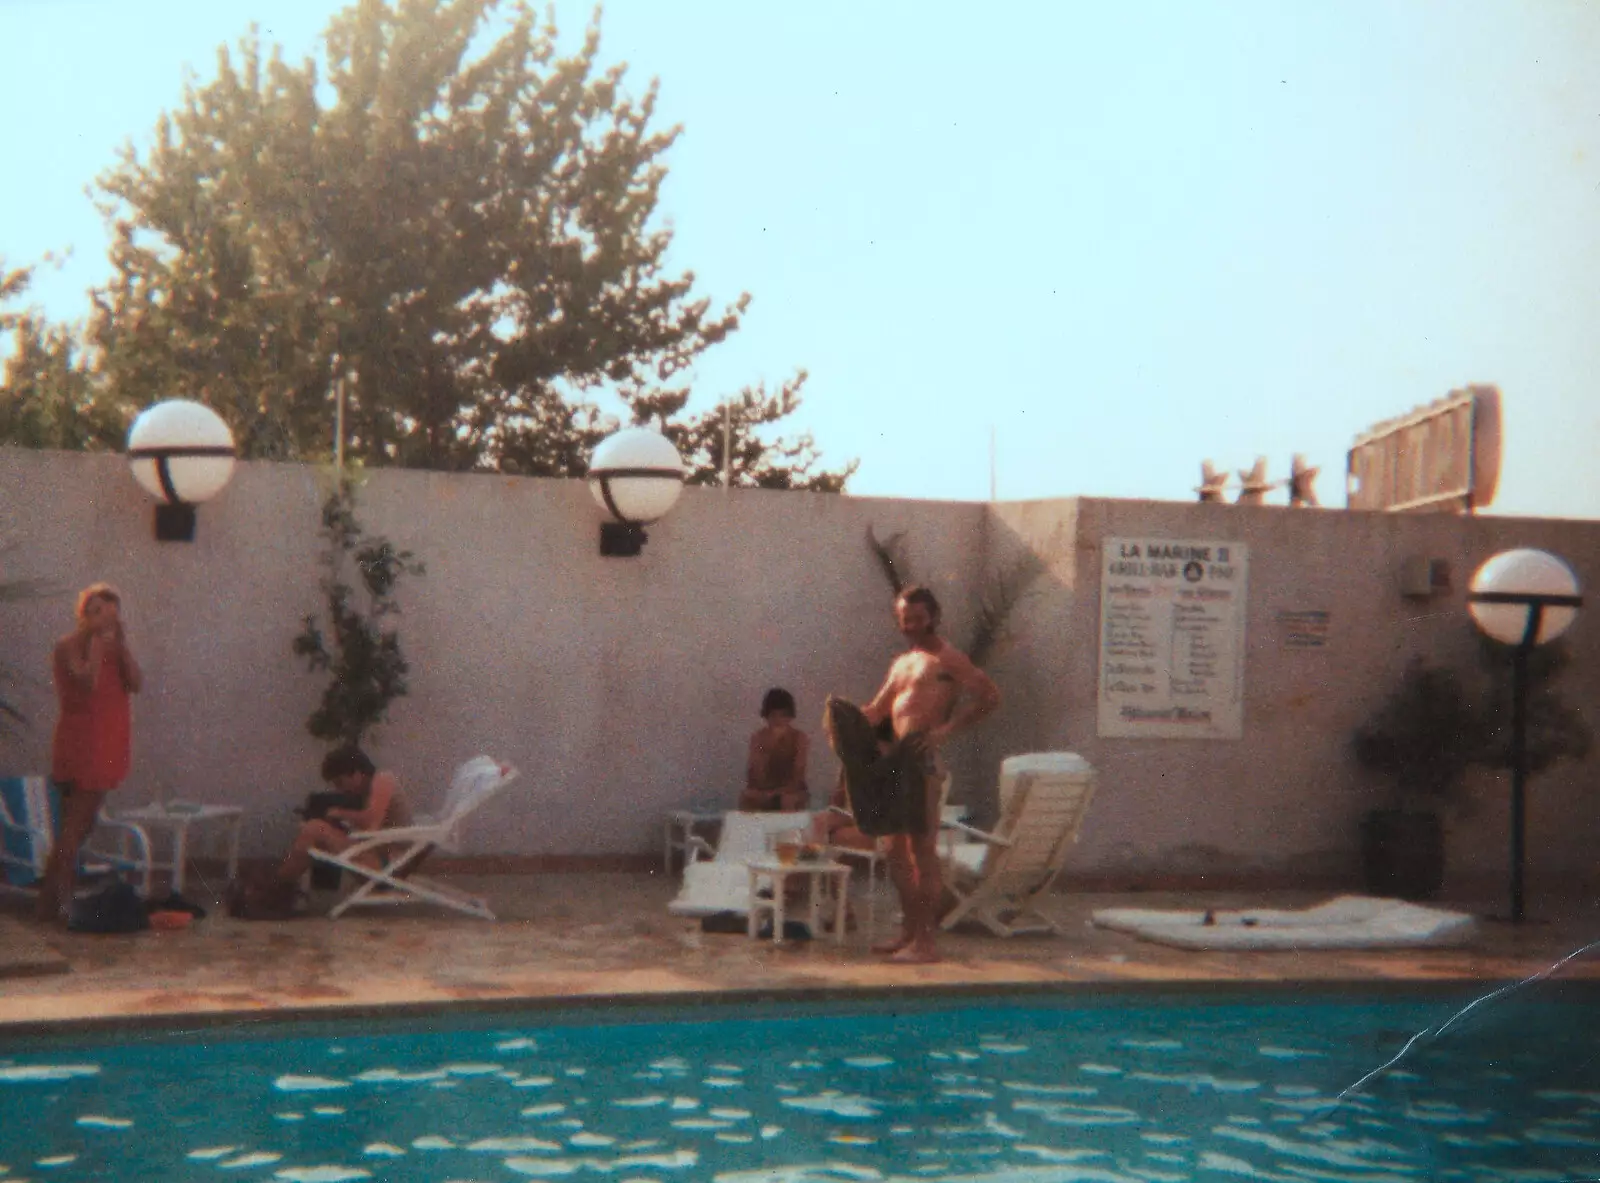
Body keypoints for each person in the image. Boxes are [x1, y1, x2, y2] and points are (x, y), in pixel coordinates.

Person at [860, 585, 1000, 963]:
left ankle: (926, 942)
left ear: (934, 618)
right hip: (895, 763)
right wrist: (843, 721)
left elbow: (989, 696)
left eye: (918, 620)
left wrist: (944, 731)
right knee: (894, 850)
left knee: (923, 850)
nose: (911, 627)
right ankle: (908, 932)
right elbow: (877, 710)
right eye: (905, 620)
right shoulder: (902, 663)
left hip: (923, 763)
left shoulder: (948, 658)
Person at [37, 583, 142, 925]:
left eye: (108, 613)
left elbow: (136, 683)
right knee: (74, 825)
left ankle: (46, 904)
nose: (101, 620)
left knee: (81, 827)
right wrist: (97, 647)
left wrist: (121, 647)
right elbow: (86, 682)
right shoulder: (68, 646)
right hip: (83, 742)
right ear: (83, 615)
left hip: (108, 743)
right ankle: (63, 903)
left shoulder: (115, 647)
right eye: (95, 611)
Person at [275, 746, 413, 884]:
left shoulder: (383, 779)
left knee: (315, 828)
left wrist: (339, 813)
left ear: (357, 773)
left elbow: (371, 822)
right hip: (382, 860)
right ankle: (283, 885)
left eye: (340, 782)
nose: (339, 789)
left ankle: (278, 887)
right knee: (313, 833)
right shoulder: (367, 793)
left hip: (392, 865)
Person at [739, 688, 810, 812]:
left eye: (783, 715)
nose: (778, 720)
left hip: (792, 792)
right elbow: (753, 775)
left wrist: (779, 792)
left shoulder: (799, 738)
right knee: (746, 798)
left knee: (787, 800)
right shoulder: (758, 738)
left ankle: (790, 830)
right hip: (764, 791)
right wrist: (768, 747)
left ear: (790, 716)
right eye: (773, 715)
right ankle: (753, 830)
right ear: (766, 716)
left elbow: (798, 775)